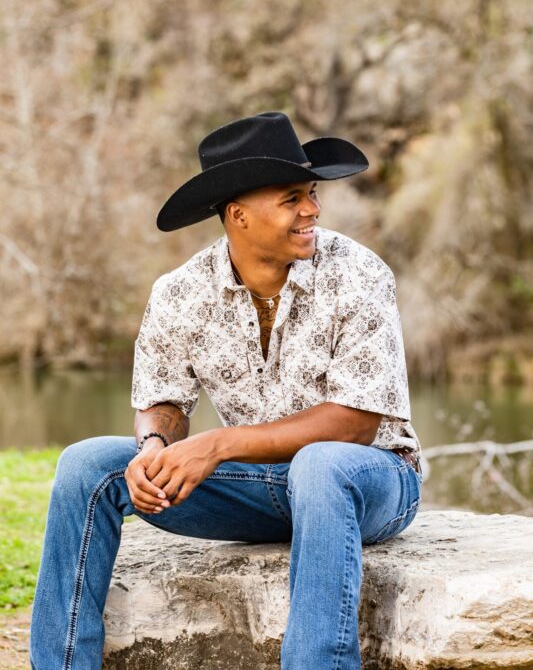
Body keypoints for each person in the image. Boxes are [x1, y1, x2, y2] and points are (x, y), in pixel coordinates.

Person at [29, 111, 423, 670]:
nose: (312, 209)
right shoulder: (179, 293)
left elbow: (355, 426)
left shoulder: (359, 275)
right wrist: (153, 449)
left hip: (368, 484)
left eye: (311, 194)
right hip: (255, 490)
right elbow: (162, 399)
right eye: (292, 198)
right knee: (86, 464)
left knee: (320, 465)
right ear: (238, 215)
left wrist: (217, 445)